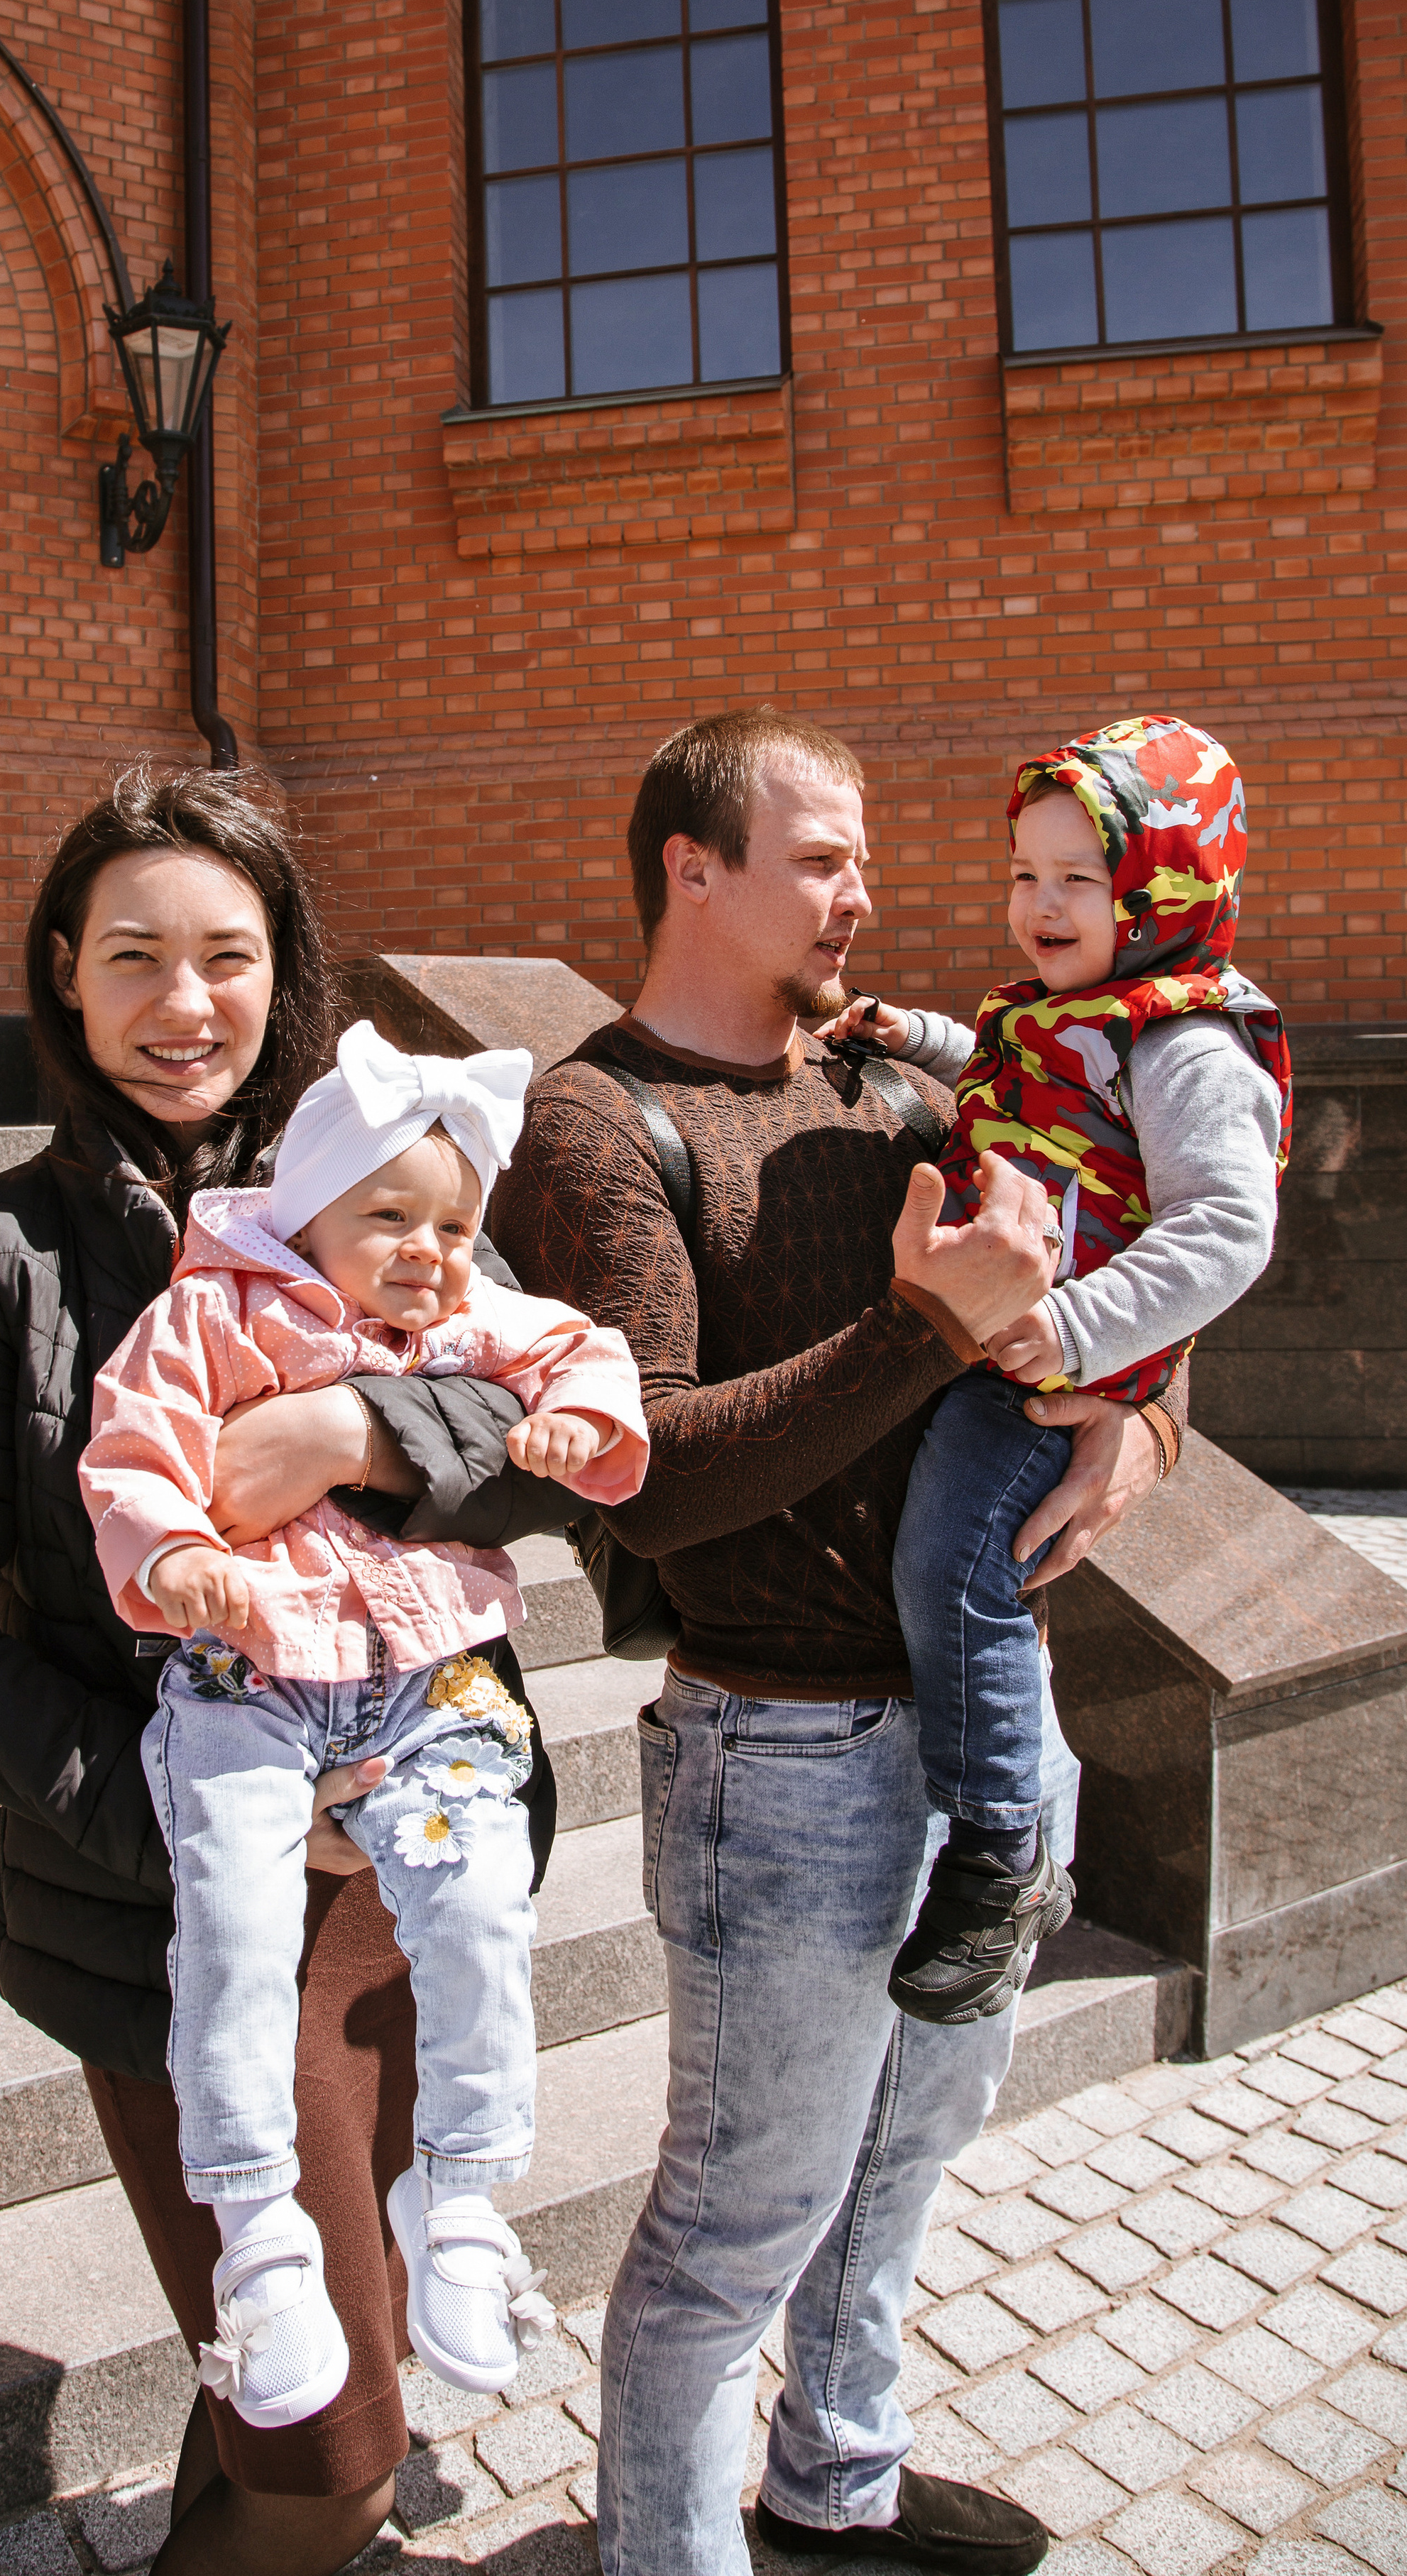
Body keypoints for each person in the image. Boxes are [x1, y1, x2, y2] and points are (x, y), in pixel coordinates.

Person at [0, 765, 579, 2576]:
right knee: (331, 2454)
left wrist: (345, 1426)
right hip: (170, 1904)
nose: (185, 1006)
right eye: (134, 957)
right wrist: (206, 1814)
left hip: (408, 1873)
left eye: (227, 957)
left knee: (333, 2336)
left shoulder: (382, 1186)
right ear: (63, 979)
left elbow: (542, 1417)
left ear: (285, 973)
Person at [488, 704, 1184, 2576]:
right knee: (735, 2229)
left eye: (866, 860)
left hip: (988, 1733)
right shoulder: (592, 1125)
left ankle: (838, 2478)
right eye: (820, 860)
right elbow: (641, 1481)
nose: (864, 898)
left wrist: (1148, 1421)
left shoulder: (892, 1083)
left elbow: (1120, 1229)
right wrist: (921, 1332)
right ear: (689, 870)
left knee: (905, 2162)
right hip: (778, 1761)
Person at [79, 1019, 647, 2421]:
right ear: (302, 1213)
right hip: (246, 1671)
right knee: (234, 1925)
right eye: (386, 1215)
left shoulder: (453, 1324)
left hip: (426, 1676)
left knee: (477, 1903)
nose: (426, 1249)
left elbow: (582, 1344)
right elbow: (129, 1450)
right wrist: (169, 1557)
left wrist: (571, 1413)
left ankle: (458, 2190)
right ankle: (258, 2232)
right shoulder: (213, 1314)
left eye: (453, 1224)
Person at [820, 716, 1290, 2027]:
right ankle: (1000, 1822)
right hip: (1010, 1334)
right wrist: (912, 1033)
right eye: (1024, 875)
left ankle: (1003, 1847)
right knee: (952, 1560)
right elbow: (1019, 1084)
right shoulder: (1069, 1012)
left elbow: (1226, 1229)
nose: (1041, 905)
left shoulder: (1192, 1044)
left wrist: (1086, 1336)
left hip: (1054, 1362)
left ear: (1166, 886)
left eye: (1081, 878)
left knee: (957, 1561)